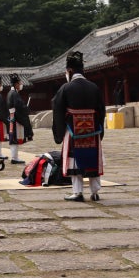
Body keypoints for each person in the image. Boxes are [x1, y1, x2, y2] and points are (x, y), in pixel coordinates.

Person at [52, 50, 106, 201]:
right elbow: (101, 110)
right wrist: (100, 130)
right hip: (93, 130)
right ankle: (95, 192)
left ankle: (77, 192)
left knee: (74, 160)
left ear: (69, 70)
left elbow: (57, 109)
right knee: (92, 159)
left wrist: (59, 132)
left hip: (73, 129)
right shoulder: (94, 87)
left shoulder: (65, 88)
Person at [6, 73, 33, 164]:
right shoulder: (14, 94)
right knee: (15, 138)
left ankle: (15, 157)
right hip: (16, 117)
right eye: (19, 82)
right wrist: (26, 109)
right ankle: (14, 158)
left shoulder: (11, 93)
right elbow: (19, 106)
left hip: (12, 116)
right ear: (16, 84)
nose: (21, 84)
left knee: (14, 137)